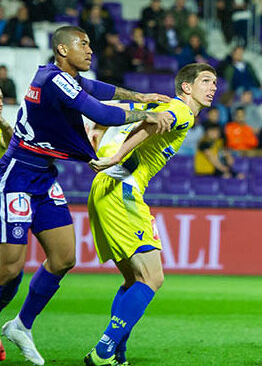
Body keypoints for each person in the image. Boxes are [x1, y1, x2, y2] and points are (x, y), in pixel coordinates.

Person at [0, 27, 172, 365]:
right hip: (17, 175)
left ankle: (21, 325)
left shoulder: (66, 79)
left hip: (45, 177)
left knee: (64, 258)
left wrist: (143, 95)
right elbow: (101, 112)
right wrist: (148, 114)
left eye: (91, 43)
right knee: (9, 270)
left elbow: (102, 90)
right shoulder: (53, 79)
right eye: (83, 44)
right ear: (63, 49)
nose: (90, 49)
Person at [83, 64, 217, 365]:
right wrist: (115, 156)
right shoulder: (181, 110)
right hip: (122, 189)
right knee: (152, 278)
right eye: (206, 81)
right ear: (186, 87)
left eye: (215, 82)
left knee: (133, 280)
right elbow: (151, 123)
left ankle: (117, 354)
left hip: (106, 187)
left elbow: (132, 113)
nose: (213, 87)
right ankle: (104, 351)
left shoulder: (173, 107)